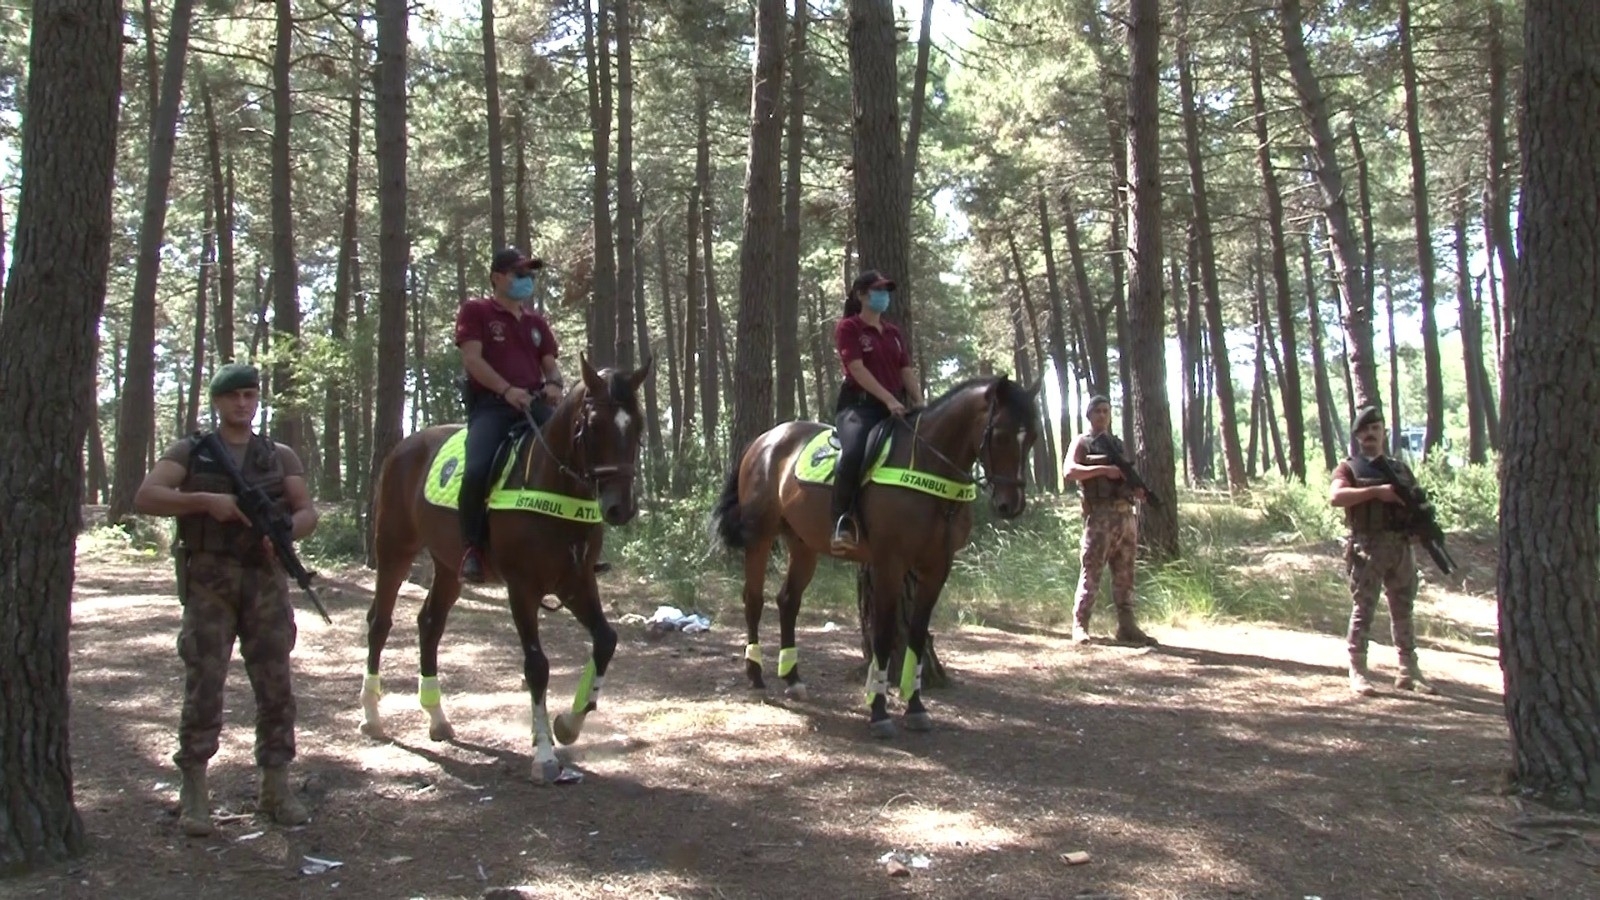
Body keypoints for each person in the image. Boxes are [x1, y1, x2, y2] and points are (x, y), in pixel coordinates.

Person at [132, 363, 319, 836]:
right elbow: (147, 496)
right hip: (209, 581)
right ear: (217, 402)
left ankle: (276, 786)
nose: (242, 404)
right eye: (233, 396)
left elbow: (305, 511)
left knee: (276, 685)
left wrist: (285, 535)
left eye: (250, 395)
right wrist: (204, 502)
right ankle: (194, 790)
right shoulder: (192, 453)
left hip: (264, 581)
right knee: (204, 681)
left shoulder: (277, 456)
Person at [453, 247, 565, 583]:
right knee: (475, 470)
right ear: (497, 277)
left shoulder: (536, 323)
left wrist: (555, 385)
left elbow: (550, 366)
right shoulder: (476, 311)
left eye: (529, 275)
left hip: (534, 405)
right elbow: (472, 360)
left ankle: (577, 545)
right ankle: (472, 548)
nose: (526, 280)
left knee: (573, 456)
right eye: (519, 274)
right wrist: (506, 390)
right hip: (493, 407)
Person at [1329, 405, 1437, 697]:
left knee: (1403, 609)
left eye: (1375, 429)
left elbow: (1417, 504)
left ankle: (1408, 670)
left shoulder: (1400, 469)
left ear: (1383, 433)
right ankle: (1358, 670)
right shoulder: (1350, 467)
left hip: (1400, 547)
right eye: (1364, 431)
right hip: (1368, 547)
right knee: (1364, 609)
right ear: (1357, 436)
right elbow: (1336, 496)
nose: (1370, 435)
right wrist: (1376, 492)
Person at [830, 269, 924, 551]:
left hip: (893, 408)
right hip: (858, 409)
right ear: (861, 295)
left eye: (886, 291)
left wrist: (919, 400)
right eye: (878, 291)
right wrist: (888, 399)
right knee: (854, 453)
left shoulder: (893, 332)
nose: (884, 297)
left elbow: (905, 370)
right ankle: (840, 523)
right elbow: (857, 369)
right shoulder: (849, 328)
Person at [1062, 394, 1156, 646]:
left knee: (1125, 574)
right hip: (1100, 516)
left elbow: (1125, 475)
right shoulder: (1083, 442)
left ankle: (1127, 626)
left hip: (1125, 515)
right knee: (1091, 571)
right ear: (1089, 415)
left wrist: (1135, 490)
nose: (1102, 415)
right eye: (1097, 411)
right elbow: (1069, 471)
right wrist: (1104, 470)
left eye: (1106, 410)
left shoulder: (1117, 444)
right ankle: (1080, 625)